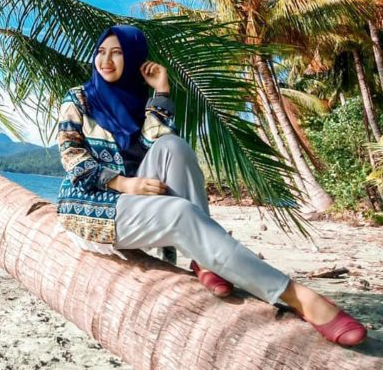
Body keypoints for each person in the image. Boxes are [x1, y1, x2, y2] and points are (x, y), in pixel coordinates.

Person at [56, 24, 367, 347]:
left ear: (135, 59)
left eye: (118, 53)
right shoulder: (79, 99)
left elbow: (154, 142)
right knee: (180, 212)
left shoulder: (138, 99)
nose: (105, 61)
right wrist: (124, 184)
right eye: (101, 52)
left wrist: (161, 92)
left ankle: (205, 259)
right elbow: (72, 156)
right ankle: (296, 296)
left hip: (138, 200)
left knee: (174, 146)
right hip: (94, 205)